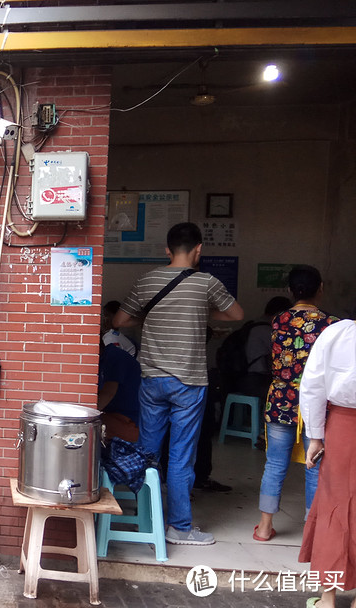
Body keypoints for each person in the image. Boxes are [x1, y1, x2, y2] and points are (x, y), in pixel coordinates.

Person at [113, 222, 244, 546]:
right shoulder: (206, 283)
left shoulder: (147, 281)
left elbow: (119, 321)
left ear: (167, 250)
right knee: (182, 456)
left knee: (147, 450)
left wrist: (151, 318)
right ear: (199, 250)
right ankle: (179, 528)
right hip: (189, 382)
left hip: (153, 380)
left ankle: (142, 515)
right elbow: (236, 314)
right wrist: (201, 312)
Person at [255, 266, 338, 542]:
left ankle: (265, 528)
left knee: (275, 465)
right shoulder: (333, 325)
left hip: (281, 400)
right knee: (314, 468)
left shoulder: (279, 320)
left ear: (291, 291)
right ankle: (312, 535)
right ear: (321, 288)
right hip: (317, 404)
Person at [298, 319, 356, 608]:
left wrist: (316, 437)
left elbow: (313, 385)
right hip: (343, 424)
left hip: (343, 427)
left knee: (335, 507)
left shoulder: (338, 332)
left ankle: (328, 599)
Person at [98, 340, 141, 443]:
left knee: (86, 426)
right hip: (118, 416)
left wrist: (85, 417)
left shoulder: (114, 357)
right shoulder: (106, 357)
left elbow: (108, 392)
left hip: (131, 422)